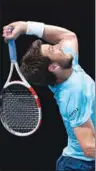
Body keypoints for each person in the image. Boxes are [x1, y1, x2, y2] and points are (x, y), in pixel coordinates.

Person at [3, 21, 95, 171]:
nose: (59, 46)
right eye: (54, 49)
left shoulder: (69, 66)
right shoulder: (73, 93)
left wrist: (25, 27)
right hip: (80, 165)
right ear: (53, 67)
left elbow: (68, 36)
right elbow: (89, 148)